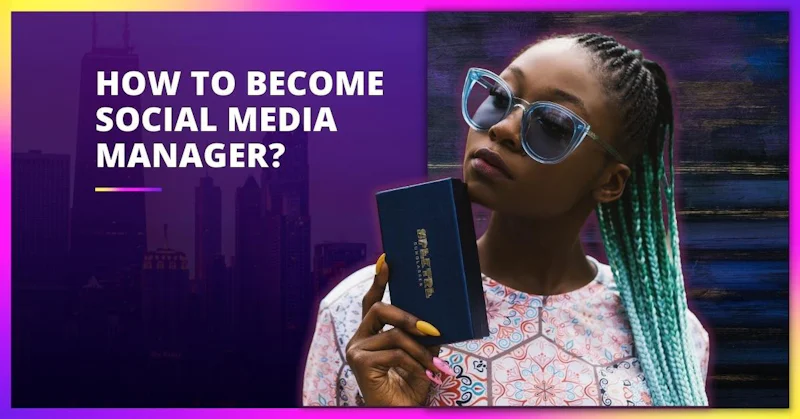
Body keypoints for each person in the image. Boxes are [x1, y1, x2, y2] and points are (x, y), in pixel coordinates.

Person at [302, 32, 710, 407]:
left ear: (609, 181)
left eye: (551, 124)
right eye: (499, 98)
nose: (502, 128)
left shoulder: (670, 342)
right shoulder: (363, 316)